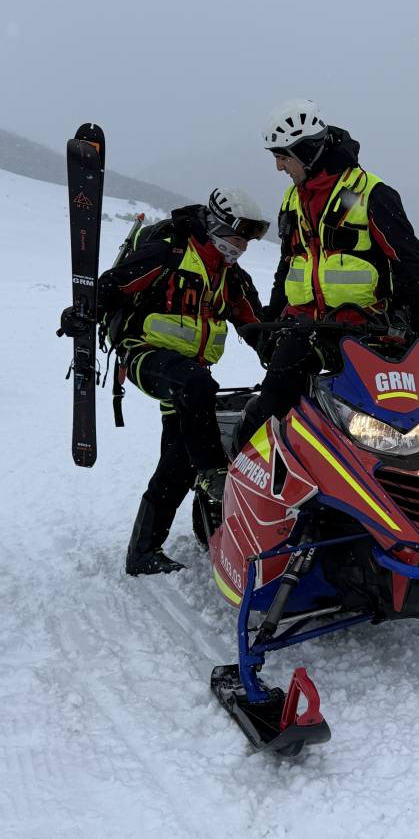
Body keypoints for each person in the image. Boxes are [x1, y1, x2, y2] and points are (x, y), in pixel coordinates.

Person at [59, 189, 267, 575]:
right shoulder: (169, 253)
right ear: (220, 225)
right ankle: (213, 474)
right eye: (239, 238)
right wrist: (80, 314)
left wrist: (289, 356)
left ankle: (143, 553)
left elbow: (257, 325)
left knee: (178, 461)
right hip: (144, 354)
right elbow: (113, 285)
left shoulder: (232, 279)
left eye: (248, 241)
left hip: (188, 373)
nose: (243, 248)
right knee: (199, 390)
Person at [239, 99, 419, 444]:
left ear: (306, 152)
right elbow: (287, 266)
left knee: (398, 417)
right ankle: (240, 475)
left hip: (365, 330)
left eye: (282, 156)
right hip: (304, 328)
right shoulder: (292, 200)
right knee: (271, 407)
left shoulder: (371, 193)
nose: (278, 167)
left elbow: (408, 262)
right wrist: (271, 325)